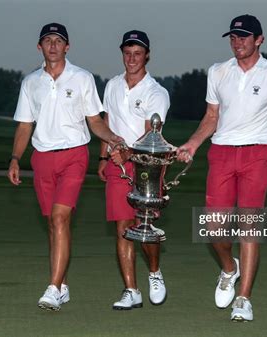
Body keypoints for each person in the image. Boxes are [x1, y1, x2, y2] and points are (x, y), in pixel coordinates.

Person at [177, 14, 267, 322]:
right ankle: (229, 268)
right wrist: (192, 143)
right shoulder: (218, 72)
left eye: (243, 37)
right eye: (233, 37)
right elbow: (211, 117)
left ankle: (243, 298)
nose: (237, 42)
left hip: (257, 155)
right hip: (221, 154)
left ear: (259, 40)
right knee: (214, 228)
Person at [7, 22, 122, 311]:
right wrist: (14, 158)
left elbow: (94, 121)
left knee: (59, 218)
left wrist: (113, 138)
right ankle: (64, 285)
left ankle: (54, 287)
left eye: (59, 40)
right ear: (40, 47)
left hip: (74, 155)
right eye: (48, 40)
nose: (54, 45)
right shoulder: (30, 82)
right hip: (42, 157)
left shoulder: (82, 78)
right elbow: (24, 125)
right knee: (54, 224)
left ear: (67, 46)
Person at [97, 30, 170, 310]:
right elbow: (107, 121)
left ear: (146, 55)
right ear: (122, 53)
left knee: (144, 227)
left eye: (137, 53)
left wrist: (126, 152)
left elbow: (151, 134)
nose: (131, 58)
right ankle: (131, 290)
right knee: (123, 227)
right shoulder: (112, 85)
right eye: (127, 53)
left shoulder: (156, 92)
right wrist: (103, 157)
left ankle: (154, 271)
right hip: (116, 162)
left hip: (146, 168)